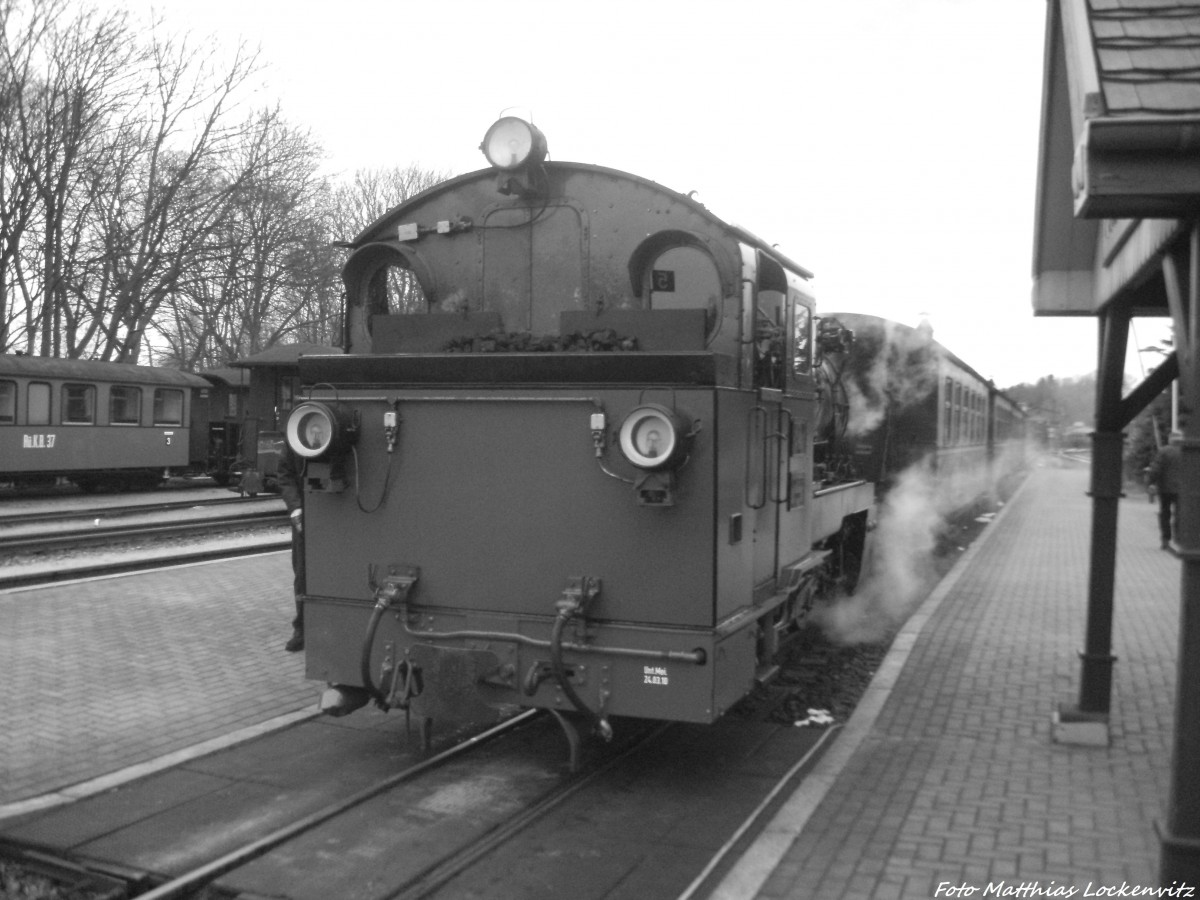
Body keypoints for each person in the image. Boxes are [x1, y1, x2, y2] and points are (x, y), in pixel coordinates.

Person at [276, 446, 306, 650]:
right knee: (303, 574)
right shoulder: (297, 435)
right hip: (304, 516)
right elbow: (285, 474)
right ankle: (302, 627)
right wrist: (295, 507)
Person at [1148, 431, 1183, 550]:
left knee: (1165, 514)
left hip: (1165, 489)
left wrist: (1151, 482)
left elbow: (1156, 469)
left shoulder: (1164, 451)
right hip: (1182, 490)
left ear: (1170, 439)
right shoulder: (1188, 451)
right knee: (1180, 514)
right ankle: (1179, 539)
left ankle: (1165, 540)